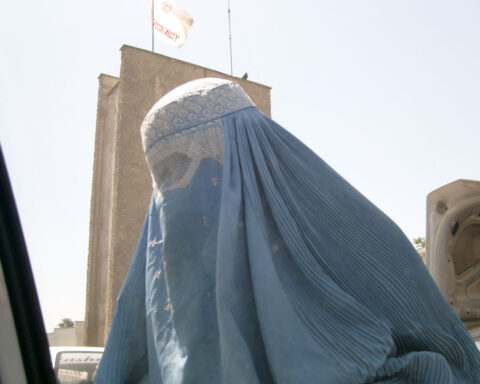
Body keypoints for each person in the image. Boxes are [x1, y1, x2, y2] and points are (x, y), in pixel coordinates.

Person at [95, 78, 480, 383]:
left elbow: (445, 356)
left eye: (185, 165)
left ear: (248, 157)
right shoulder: (158, 278)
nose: (176, 188)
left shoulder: (345, 236)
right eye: (163, 175)